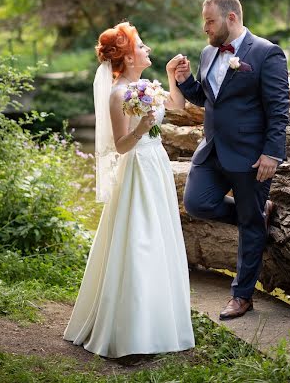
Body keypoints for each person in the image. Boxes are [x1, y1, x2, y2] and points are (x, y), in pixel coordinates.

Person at [64, 22, 195, 358]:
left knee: (159, 236)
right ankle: (133, 332)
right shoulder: (118, 94)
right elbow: (121, 146)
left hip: (157, 166)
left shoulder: (145, 85)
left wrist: (170, 76)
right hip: (136, 168)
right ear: (127, 55)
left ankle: (159, 320)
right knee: (139, 239)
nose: (147, 48)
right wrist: (141, 127)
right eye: (141, 45)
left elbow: (178, 106)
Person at [174, 0, 289, 320]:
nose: (205, 28)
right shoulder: (208, 53)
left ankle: (242, 296)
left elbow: (279, 109)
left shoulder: (267, 53)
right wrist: (185, 82)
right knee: (197, 202)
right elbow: (208, 98)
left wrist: (272, 153)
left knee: (250, 226)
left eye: (209, 21)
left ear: (231, 18)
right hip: (211, 150)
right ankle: (256, 214)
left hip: (251, 156)